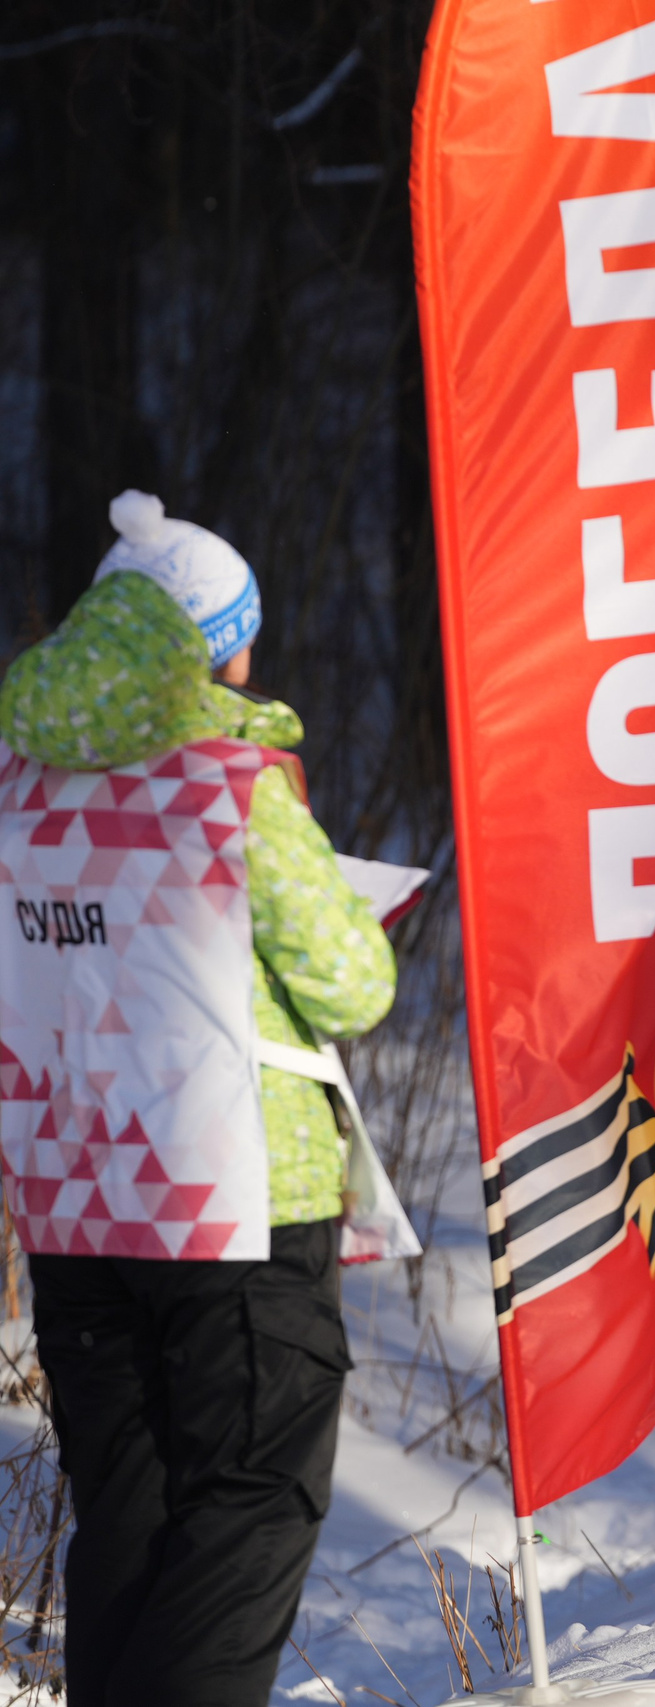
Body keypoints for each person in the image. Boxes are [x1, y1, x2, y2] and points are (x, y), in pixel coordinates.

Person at [0, 491, 395, 1706]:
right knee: (248, 1508)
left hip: (72, 1206)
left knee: (131, 1517)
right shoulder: (231, 783)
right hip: (233, 1201)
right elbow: (351, 981)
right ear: (215, 643)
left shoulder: (17, 783)